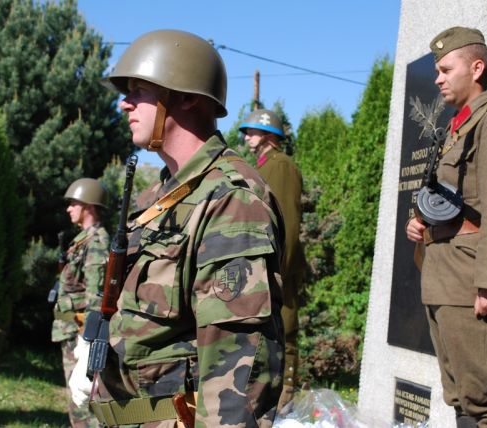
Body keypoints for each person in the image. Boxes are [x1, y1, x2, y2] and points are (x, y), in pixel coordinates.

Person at [90, 29, 285, 427]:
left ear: (185, 96)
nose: (125, 103)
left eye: (138, 91)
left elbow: (238, 374)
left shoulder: (232, 200)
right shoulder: (157, 196)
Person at [406, 27, 487, 427]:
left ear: (476, 68)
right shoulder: (456, 128)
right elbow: (456, 197)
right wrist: (421, 222)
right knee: (461, 399)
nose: (437, 79)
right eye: (436, 71)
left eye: (445, 70)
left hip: (471, 281)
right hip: (445, 279)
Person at [239, 109, 307, 410]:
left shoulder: (281, 166)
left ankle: (285, 398)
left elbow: (288, 224)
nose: (246, 137)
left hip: (279, 266)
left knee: (285, 328)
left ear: (268, 134)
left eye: (252, 131)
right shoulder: (266, 165)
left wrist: (279, 271)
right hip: (265, 264)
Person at [52, 178, 110, 428]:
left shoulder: (96, 242)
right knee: (76, 401)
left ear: (89, 205)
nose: (69, 208)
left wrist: (88, 343)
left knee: (83, 404)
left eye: (74, 203)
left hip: (80, 334)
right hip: (72, 331)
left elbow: (96, 296)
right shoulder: (83, 240)